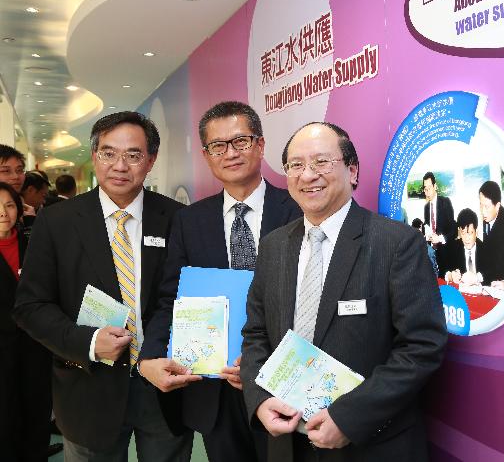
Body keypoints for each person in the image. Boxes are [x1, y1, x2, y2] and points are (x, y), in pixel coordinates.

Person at [241, 122, 448, 461]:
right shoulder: (274, 247)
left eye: (322, 162)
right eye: (295, 165)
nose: (307, 175)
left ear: (352, 170)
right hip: (287, 441)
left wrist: (350, 418)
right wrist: (260, 398)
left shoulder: (396, 244)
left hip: (368, 444)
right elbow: (255, 335)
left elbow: (422, 346)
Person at [13, 112, 192, 461]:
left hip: (161, 387)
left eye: (134, 155)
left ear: (151, 160)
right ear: (95, 156)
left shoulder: (177, 218)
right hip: (88, 386)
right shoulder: (57, 221)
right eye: (109, 153)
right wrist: (90, 342)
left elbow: (181, 297)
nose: (120, 165)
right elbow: (30, 306)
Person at [139, 101, 302, 462]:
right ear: (207, 155)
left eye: (240, 141)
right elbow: (171, 299)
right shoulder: (189, 220)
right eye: (218, 146)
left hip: (281, 383)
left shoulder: (298, 209)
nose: (230, 153)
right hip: (214, 389)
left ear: (260, 145)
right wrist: (148, 355)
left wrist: (261, 364)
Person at [0, 182, 56, 461]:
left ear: (19, 210)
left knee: (37, 406)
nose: (3, 213)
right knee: (6, 412)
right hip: (3, 348)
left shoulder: (33, 243)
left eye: (9, 205)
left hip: (35, 344)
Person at [478, 180, 504, 290]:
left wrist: (478, 277)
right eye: (481, 205)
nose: (483, 211)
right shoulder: (489, 217)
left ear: (497, 205)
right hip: (489, 280)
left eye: (487, 206)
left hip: (501, 284)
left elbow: (501, 264)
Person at [440, 208, 486, 285]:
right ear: (459, 231)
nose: (467, 238)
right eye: (463, 233)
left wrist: (477, 277)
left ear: (476, 231)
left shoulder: (485, 248)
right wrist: (450, 275)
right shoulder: (452, 248)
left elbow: (493, 271)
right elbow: (441, 271)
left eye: (470, 233)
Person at [422, 172, 455, 248]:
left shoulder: (445, 202)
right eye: (425, 189)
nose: (427, 192)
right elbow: (428, 226)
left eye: (429, 188)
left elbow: (453, 229)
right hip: (431, 251)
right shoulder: (426, 207)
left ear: (435, 186)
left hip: (444, 251)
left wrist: (440, 238)